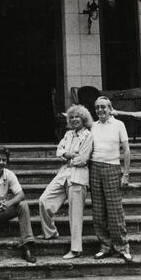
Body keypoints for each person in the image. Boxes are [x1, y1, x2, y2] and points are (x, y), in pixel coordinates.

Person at [39, 104, 93, 259]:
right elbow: (59, 150)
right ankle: (50, 232)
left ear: (84, 119)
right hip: (64, 172)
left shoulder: (88, 135)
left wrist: (67, 156)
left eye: (78, 117)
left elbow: (83, 159)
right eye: (72, 117)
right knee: (44, 200)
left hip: (79, 175)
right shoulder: (68, 134)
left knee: (75, 214)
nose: (75, 119)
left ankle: (75, 249)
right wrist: (69, 154)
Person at [90, 95, 132, 263]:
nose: (100, 110)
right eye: (97, 107)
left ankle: (122, 246)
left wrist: (126, 173)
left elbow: (126, 150)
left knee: (115, 210)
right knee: (98, 211)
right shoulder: (92, 126)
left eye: (103, 107)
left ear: (110, 108)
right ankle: (105, 246)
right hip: (95, 168)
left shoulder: (119, 125)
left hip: (112, 168)